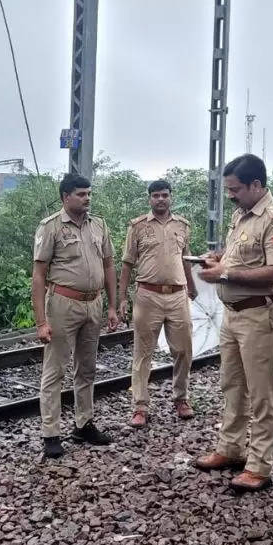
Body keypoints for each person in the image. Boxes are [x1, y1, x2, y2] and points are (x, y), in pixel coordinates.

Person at [193, 154, 273, 493]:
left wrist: (223, 273)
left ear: (256, 185)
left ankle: (259, 465)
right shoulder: (242, 215)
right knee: (232, 385)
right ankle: (231, 448)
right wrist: (219, 259)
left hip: (260, 315)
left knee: (262, 393)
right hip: (234, 314)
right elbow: (240, 256)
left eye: (235, 189)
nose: (231, 195)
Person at [31, 173, 120, 458]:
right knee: (55, 370)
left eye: (89, 193)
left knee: (87, 368)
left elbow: (109, 266)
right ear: (65, 197)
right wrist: (41, 321)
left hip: (93, 304)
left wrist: (112, 306)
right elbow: (39, 275)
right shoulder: (51, 227)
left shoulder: (99, 225)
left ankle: (84, 423)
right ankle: (51, 433)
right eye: (81, 194)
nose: (87, 198)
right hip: (62, 304)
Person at [117, 179, 199, 428]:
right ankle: (140, 406)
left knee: (184, 350)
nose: (160, 199)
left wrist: (192, 287)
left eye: (164, 195)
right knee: (143, 353)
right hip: (147, 295)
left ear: (171, 196)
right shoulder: (138, 227)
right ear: (149, 198)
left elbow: (185, 258)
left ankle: (181, 398)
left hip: (177, 295)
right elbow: (127, 263)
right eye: (155, 195)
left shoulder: (182, 226)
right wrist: (122, 298)